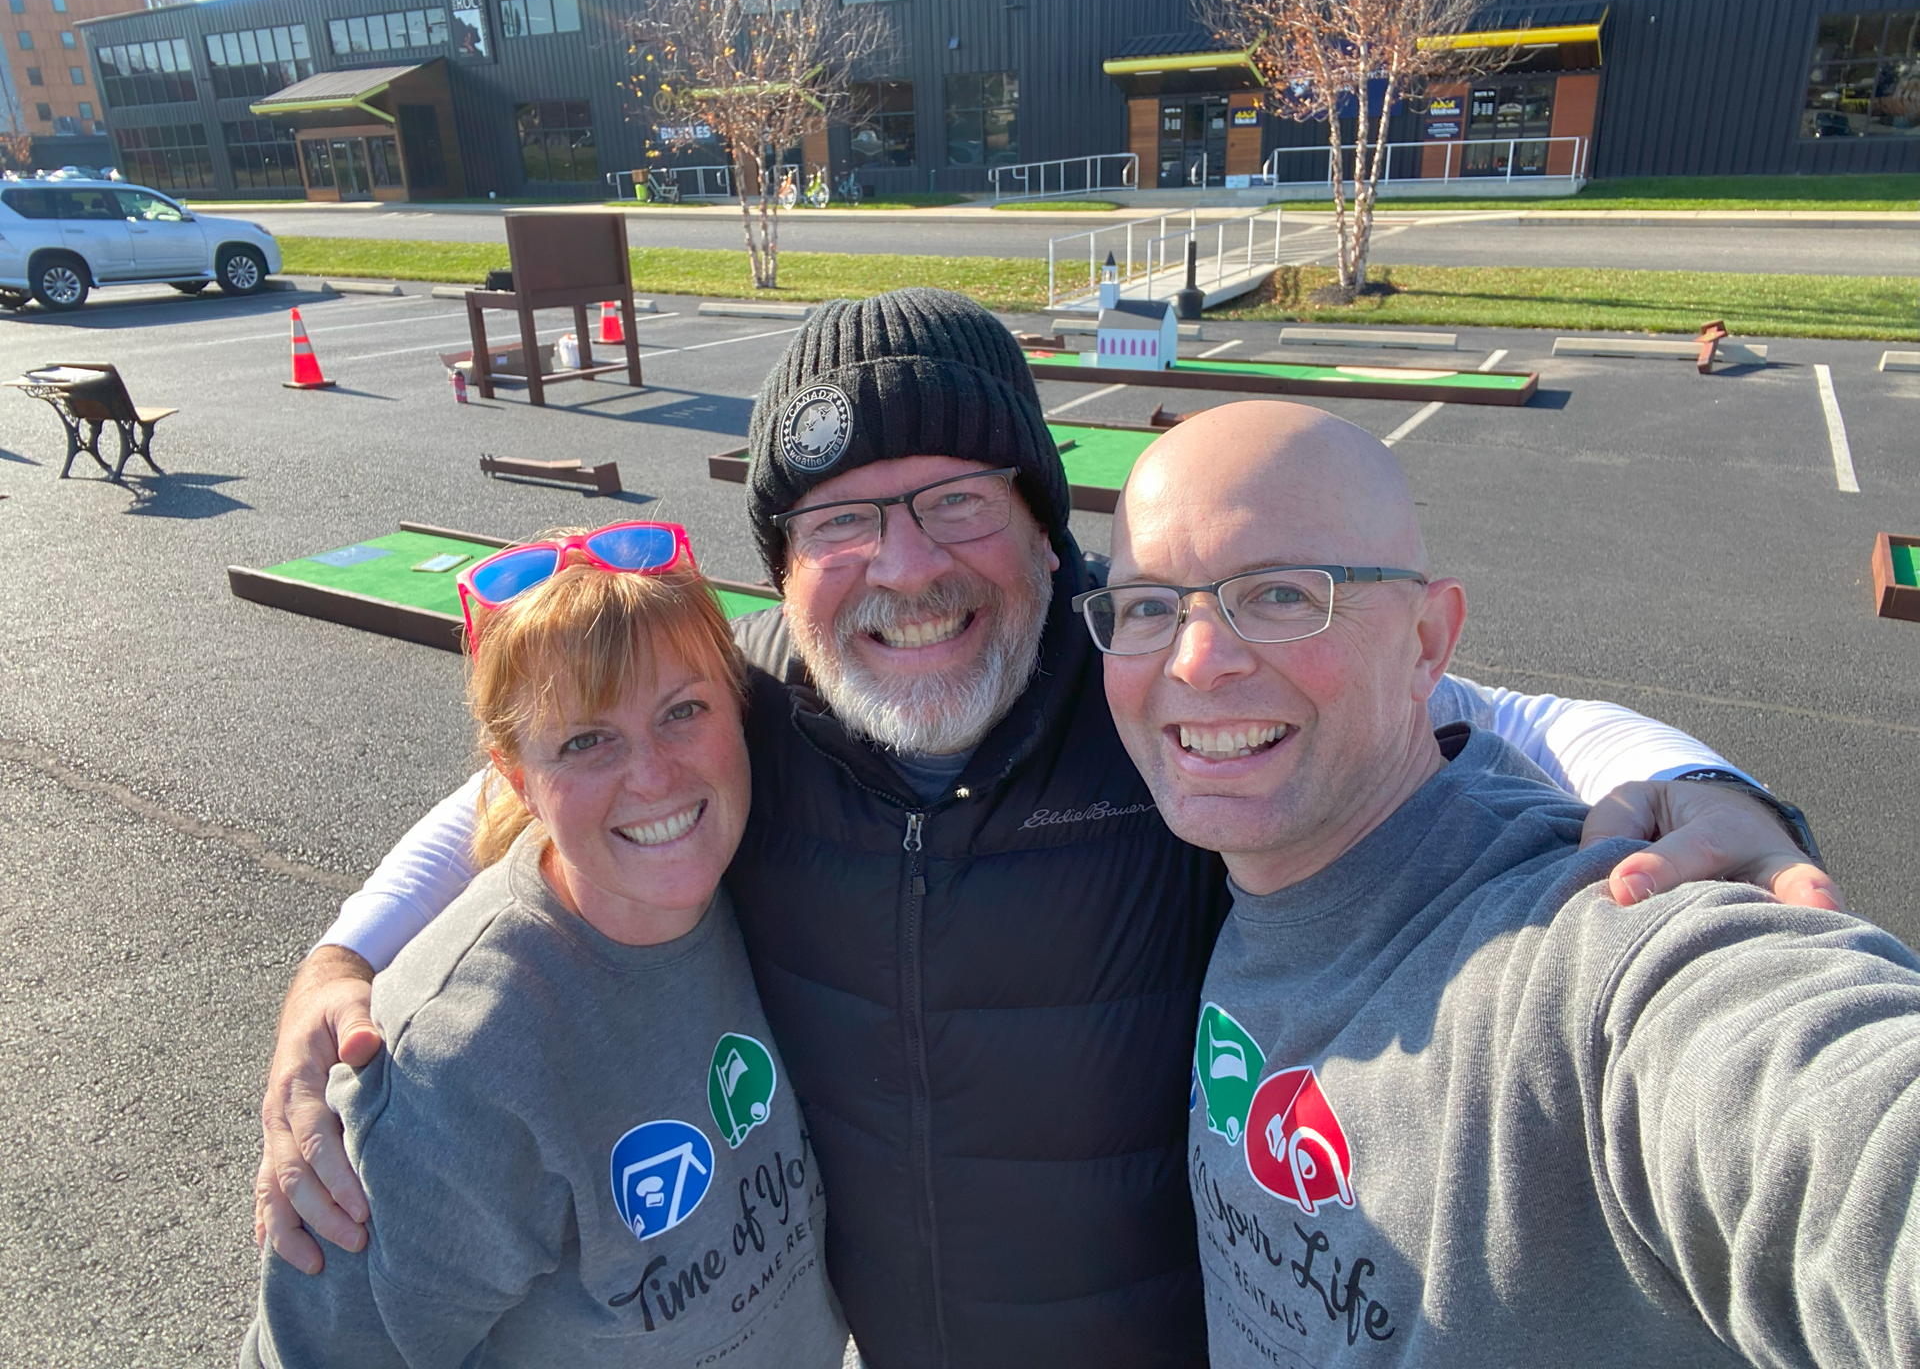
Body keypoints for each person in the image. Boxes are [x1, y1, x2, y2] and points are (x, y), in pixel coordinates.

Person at [255, 290, 1832, 1369]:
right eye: (845, 522)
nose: (906, 566)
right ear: (787, 572)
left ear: (1042, 525)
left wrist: (1710, 793)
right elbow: (535, 777)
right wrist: (342, 956)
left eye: (956, 501)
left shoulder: (1161, 692)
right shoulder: (759, 719)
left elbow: (1476, 704)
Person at [1084, 400, 1919, 1367]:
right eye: (1149, 605)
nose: (1196, 660)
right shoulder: (1259, 864)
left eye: (1281, 594)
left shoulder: (1584, 956)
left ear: (1429, 643)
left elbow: (1838, 1127)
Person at [243, 525, 845, 1369]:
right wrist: (333, 962)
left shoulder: (760, 875)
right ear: (516, 777)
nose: (654, 775)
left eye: (683, 712)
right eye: (585, 741)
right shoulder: (456, 1065)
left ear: (737, 708)